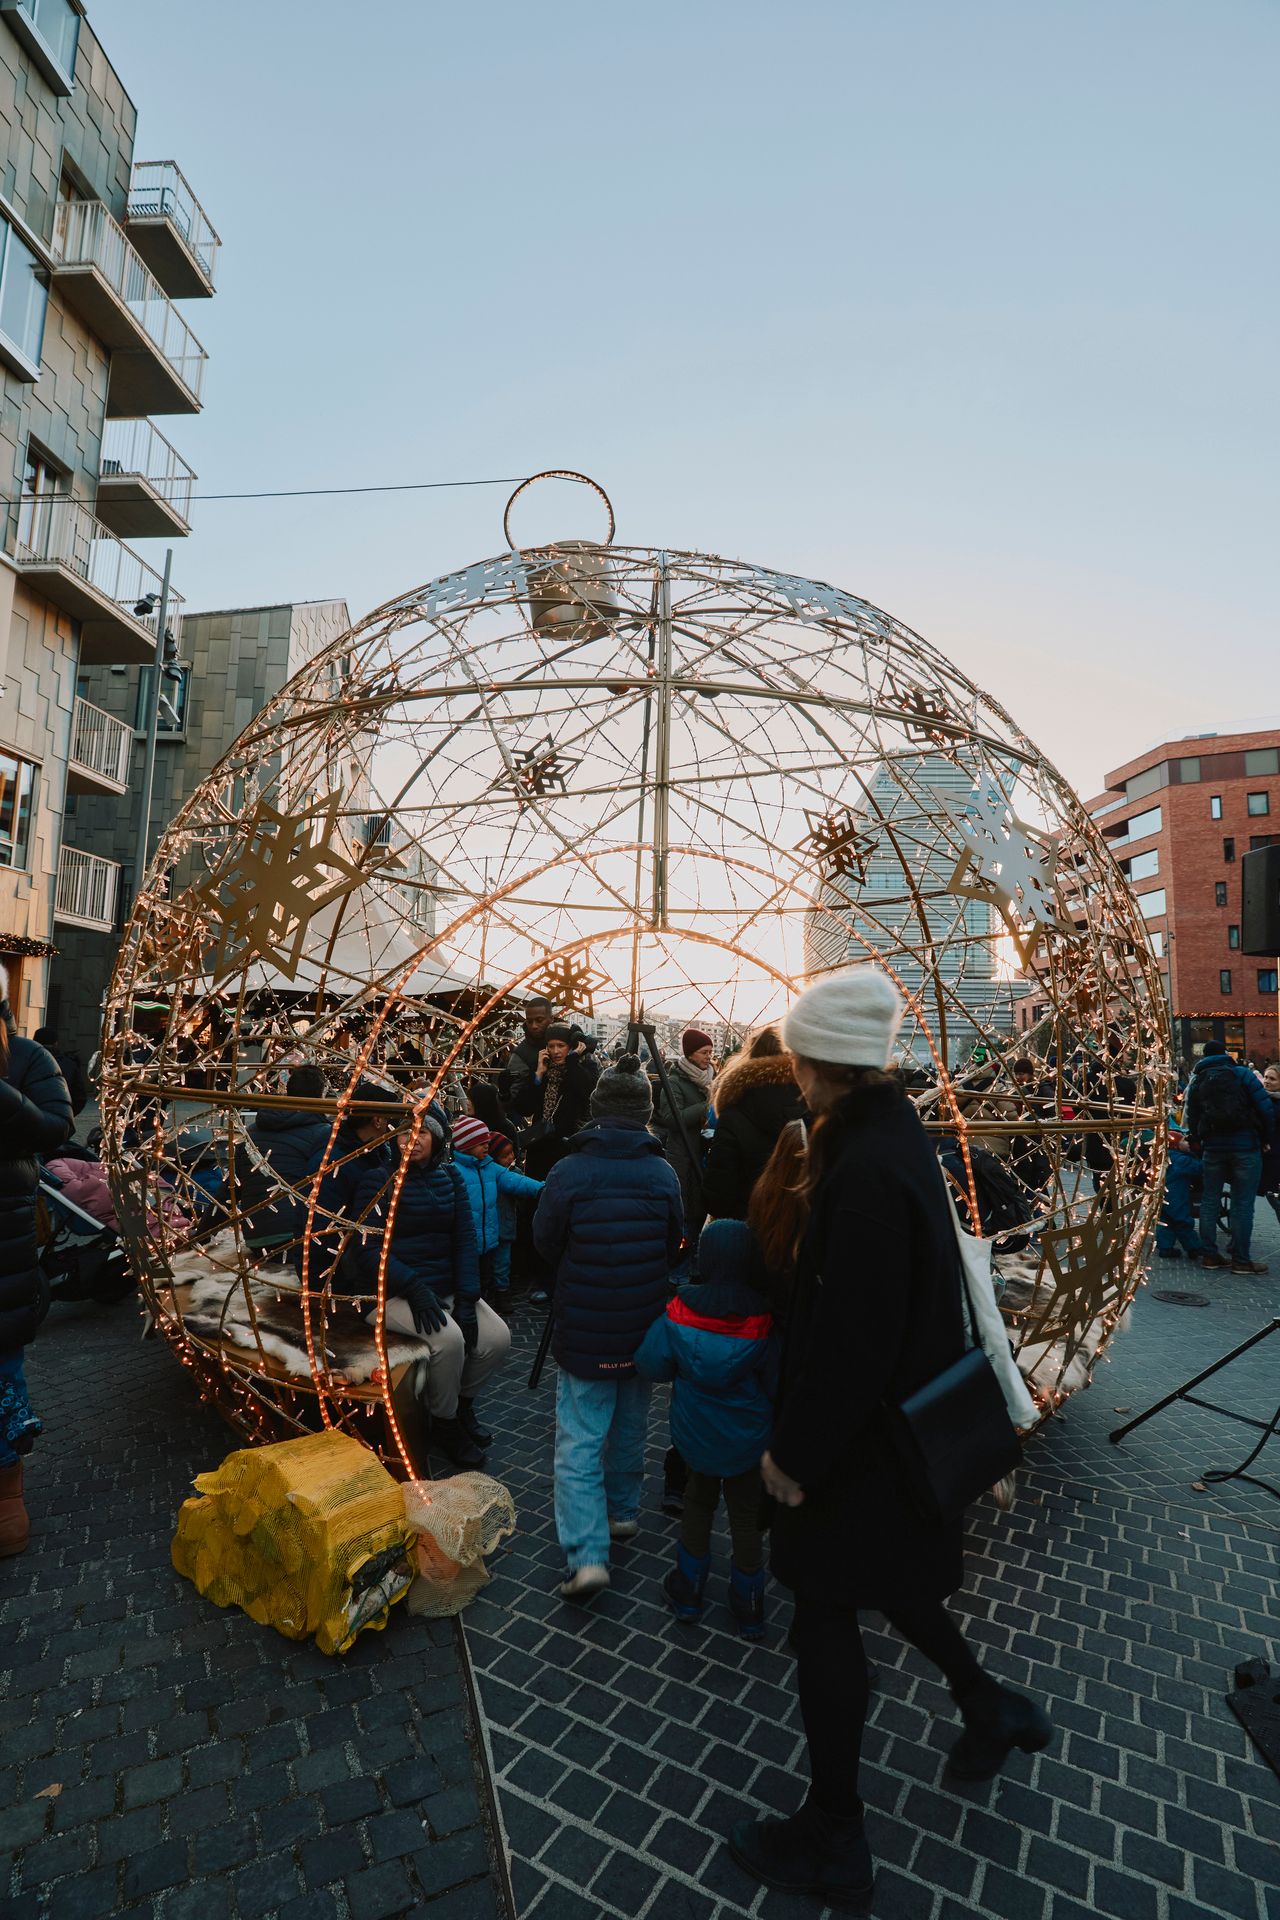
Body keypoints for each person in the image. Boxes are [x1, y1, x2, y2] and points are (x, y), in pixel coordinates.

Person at [728, 968, 1051, 1911]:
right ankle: (989, 1704)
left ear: (819, 1060)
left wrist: (795, 1455)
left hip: (864, 1446)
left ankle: (835, 1832)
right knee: (899, 1584)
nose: (792, 1069)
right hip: (897, 1437)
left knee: (823, 1616)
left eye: (797, 1055)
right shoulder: (888, 1135)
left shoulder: (863, 1168)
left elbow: (853, 1339)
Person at [533, 1055, 683, 1602]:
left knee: (580, 1437)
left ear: (596, 1108)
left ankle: (587, 1554)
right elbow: (674, 1243)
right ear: (645, 1112)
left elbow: (544, 1239)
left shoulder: (569, 1170)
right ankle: (622, 1512)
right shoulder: (662, 1172)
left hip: (585, 1320)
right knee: (631, 1424)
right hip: (642, 1321)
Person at [634, 1219, 778, 1638]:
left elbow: (650, 1363)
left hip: (695, 1436)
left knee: (698, 1503)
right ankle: (749, 1601)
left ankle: (689, 1589)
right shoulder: (765, 1319)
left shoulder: (680, 1311)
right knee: (746, 1515)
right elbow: (776, 1383)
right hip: (748, 1441)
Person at [351, 1101, 511, 1469]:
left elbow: (464, 1240)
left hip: (444, 1287)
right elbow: (366, 1248)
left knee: (496, 1338)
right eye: (405, 1132)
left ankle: (461, 1405)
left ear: (436, 1138)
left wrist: (468, 1297)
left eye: (422, 1132)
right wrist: (413, 1286)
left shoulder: (450, 1177)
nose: (412, 1140)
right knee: (449, 1341)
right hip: (391, 1292)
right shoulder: (378, 1181)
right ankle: (445, 1422)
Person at [0, 970, 74, 1556]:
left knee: (2, 1371)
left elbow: (56, 1127)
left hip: (3, 1240)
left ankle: (7, 1495)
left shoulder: (27, 1058)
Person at [1184, 1041, 1276, 1273]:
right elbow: (1264, 1107)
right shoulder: (1242, 1074)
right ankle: (1240, 1260)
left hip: (1213, 1148)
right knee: (1242, 1203)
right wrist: (1266, 1138)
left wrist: (1198, 1140)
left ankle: (1210, 1256)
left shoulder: (1198, 1079)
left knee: (1209, 1201)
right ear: (1225, 1054)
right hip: (1245, 1146)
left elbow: (1192, 1115)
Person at [702, 1027, 805, 1222]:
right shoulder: (813, 1106)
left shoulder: (734, 1112)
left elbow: (718, 1196)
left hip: (746, 1223)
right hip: (797, 1227)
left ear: (751, 1056)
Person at [233, 1065, 332, 1254]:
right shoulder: (322, 1133)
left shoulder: (251, 1132)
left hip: (256, 1239)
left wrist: (203, 1233)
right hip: (298, 1237)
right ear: (321, 1094)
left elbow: (232, 1185)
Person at [450, 1113, 543, 1299]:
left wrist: (542, 1188)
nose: (487, 1146)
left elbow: (515, 1181)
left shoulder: (491, 1168)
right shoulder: (454, 1172)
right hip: (466, 1243)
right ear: (467, 1145)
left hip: (490, 1240)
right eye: (481, 1143)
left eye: (487, 1142)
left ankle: (490, 1303)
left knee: (486, 1278)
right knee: (468, 1282)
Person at [513, 1022, 599, 1179]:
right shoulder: (542, 1069)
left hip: (569, 1147)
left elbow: (585, 1090)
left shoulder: (586, 1067)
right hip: (540, 1147)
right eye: (551, 1046)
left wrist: (572, 1061)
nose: (555, 1051)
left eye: (561, 1045)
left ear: (571, 1047)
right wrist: (538, 1075)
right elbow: (524, 1108)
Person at [655, 1028, 716, 1230]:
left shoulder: (711, 1079)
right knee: (685, 1209)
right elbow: (673, 1119)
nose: (709, 1057)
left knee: (701, 1207)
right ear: (690, 1054)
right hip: (683, 1154)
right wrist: (707, 1105)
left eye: (710, 1052)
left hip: (705, 1152)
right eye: (704, 1052)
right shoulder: (674, 1082)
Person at [1156, 1116, 1203, 1260]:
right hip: (1177, 1197)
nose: (1187, 1143)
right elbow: (1198, 1168)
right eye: (1183, 1141)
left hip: (1162, 1196)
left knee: (1164, 1222)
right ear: (1175, 1145)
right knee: (1183, 1222)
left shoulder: (1164, 1157)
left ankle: (1165, 1248)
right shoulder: (1182, 1159)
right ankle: (1193, 1248)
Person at [503, 996, 556, 1109]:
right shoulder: (522, 1054)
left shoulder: (566, 1041)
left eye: (539, 1020)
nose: (534, 1026)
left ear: (551, 1019)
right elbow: (513, 1101)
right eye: (529, 1021)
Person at [32, 1026, 87, 1118]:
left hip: (30, 1116)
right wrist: (67, 1114)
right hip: (59, 1116)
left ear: (34, 1041)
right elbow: (79, 1097)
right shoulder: (69, 1064)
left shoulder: (27, 1061)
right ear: (56, 1043)